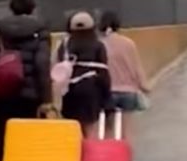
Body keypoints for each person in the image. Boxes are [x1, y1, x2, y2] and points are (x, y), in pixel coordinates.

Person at [0, 0, 52, 161]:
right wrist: (46, 99)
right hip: (31, 97)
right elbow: (41, 64)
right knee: (30, 143)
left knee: (5, 141)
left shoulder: (0, 30)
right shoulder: (40, 31)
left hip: (3, 96)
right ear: (32, 9)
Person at [55, 11, 111, 137]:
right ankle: (91, 155)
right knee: (91, 128)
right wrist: (106, 96)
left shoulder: (64, 45)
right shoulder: (98, 45)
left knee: (73, 128)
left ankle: (76, 154)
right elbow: (103, 71)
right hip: (91, 90)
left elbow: (59, 67)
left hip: (70, 91)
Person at [99, 11, 149, 140]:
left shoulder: (100, 45)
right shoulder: (129, 43)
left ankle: (109, 157)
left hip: (107, 93)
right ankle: (126, 158)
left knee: (107, 131)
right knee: (127, 132)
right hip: (128, 92)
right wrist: (144, 86)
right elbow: (136, 67)